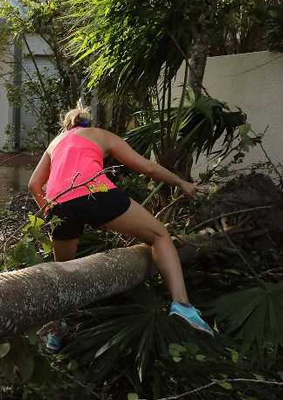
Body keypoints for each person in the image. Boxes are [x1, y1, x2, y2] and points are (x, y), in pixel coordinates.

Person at [28, 105, 213, 352]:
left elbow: (34, 184)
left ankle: (57, 329)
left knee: (62, 270)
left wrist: (49, 210)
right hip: (96, 192)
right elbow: (148, 167)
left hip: (59, 202)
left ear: (68, 126)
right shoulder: (100, 134)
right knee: (159, 234)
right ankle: (182, 304)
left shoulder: (56, 142)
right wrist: (181, 183)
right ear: (88, 123)